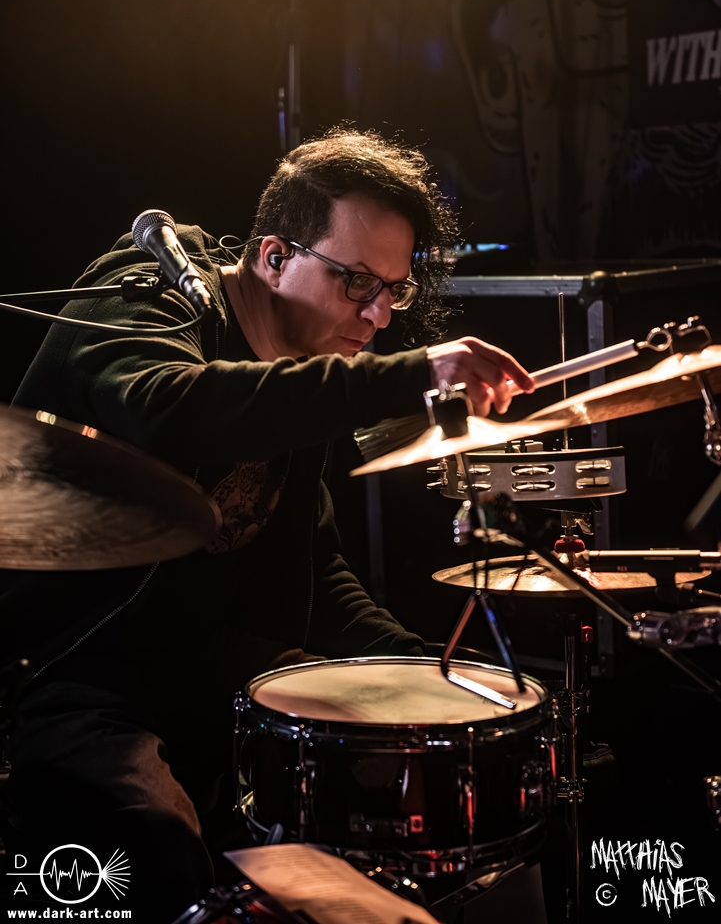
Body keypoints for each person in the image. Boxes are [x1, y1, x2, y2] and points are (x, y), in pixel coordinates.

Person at [1, 128, 533, 922]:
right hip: (65, 671)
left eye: (393, 290)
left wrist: (432, 672)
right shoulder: (146, 291)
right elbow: (160, 408)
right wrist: (408, 376)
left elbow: (316, 568)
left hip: (206, 666)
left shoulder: (303, 364)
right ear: (275, 256)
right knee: (149, 837)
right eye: (358, 281)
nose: (378, 315)